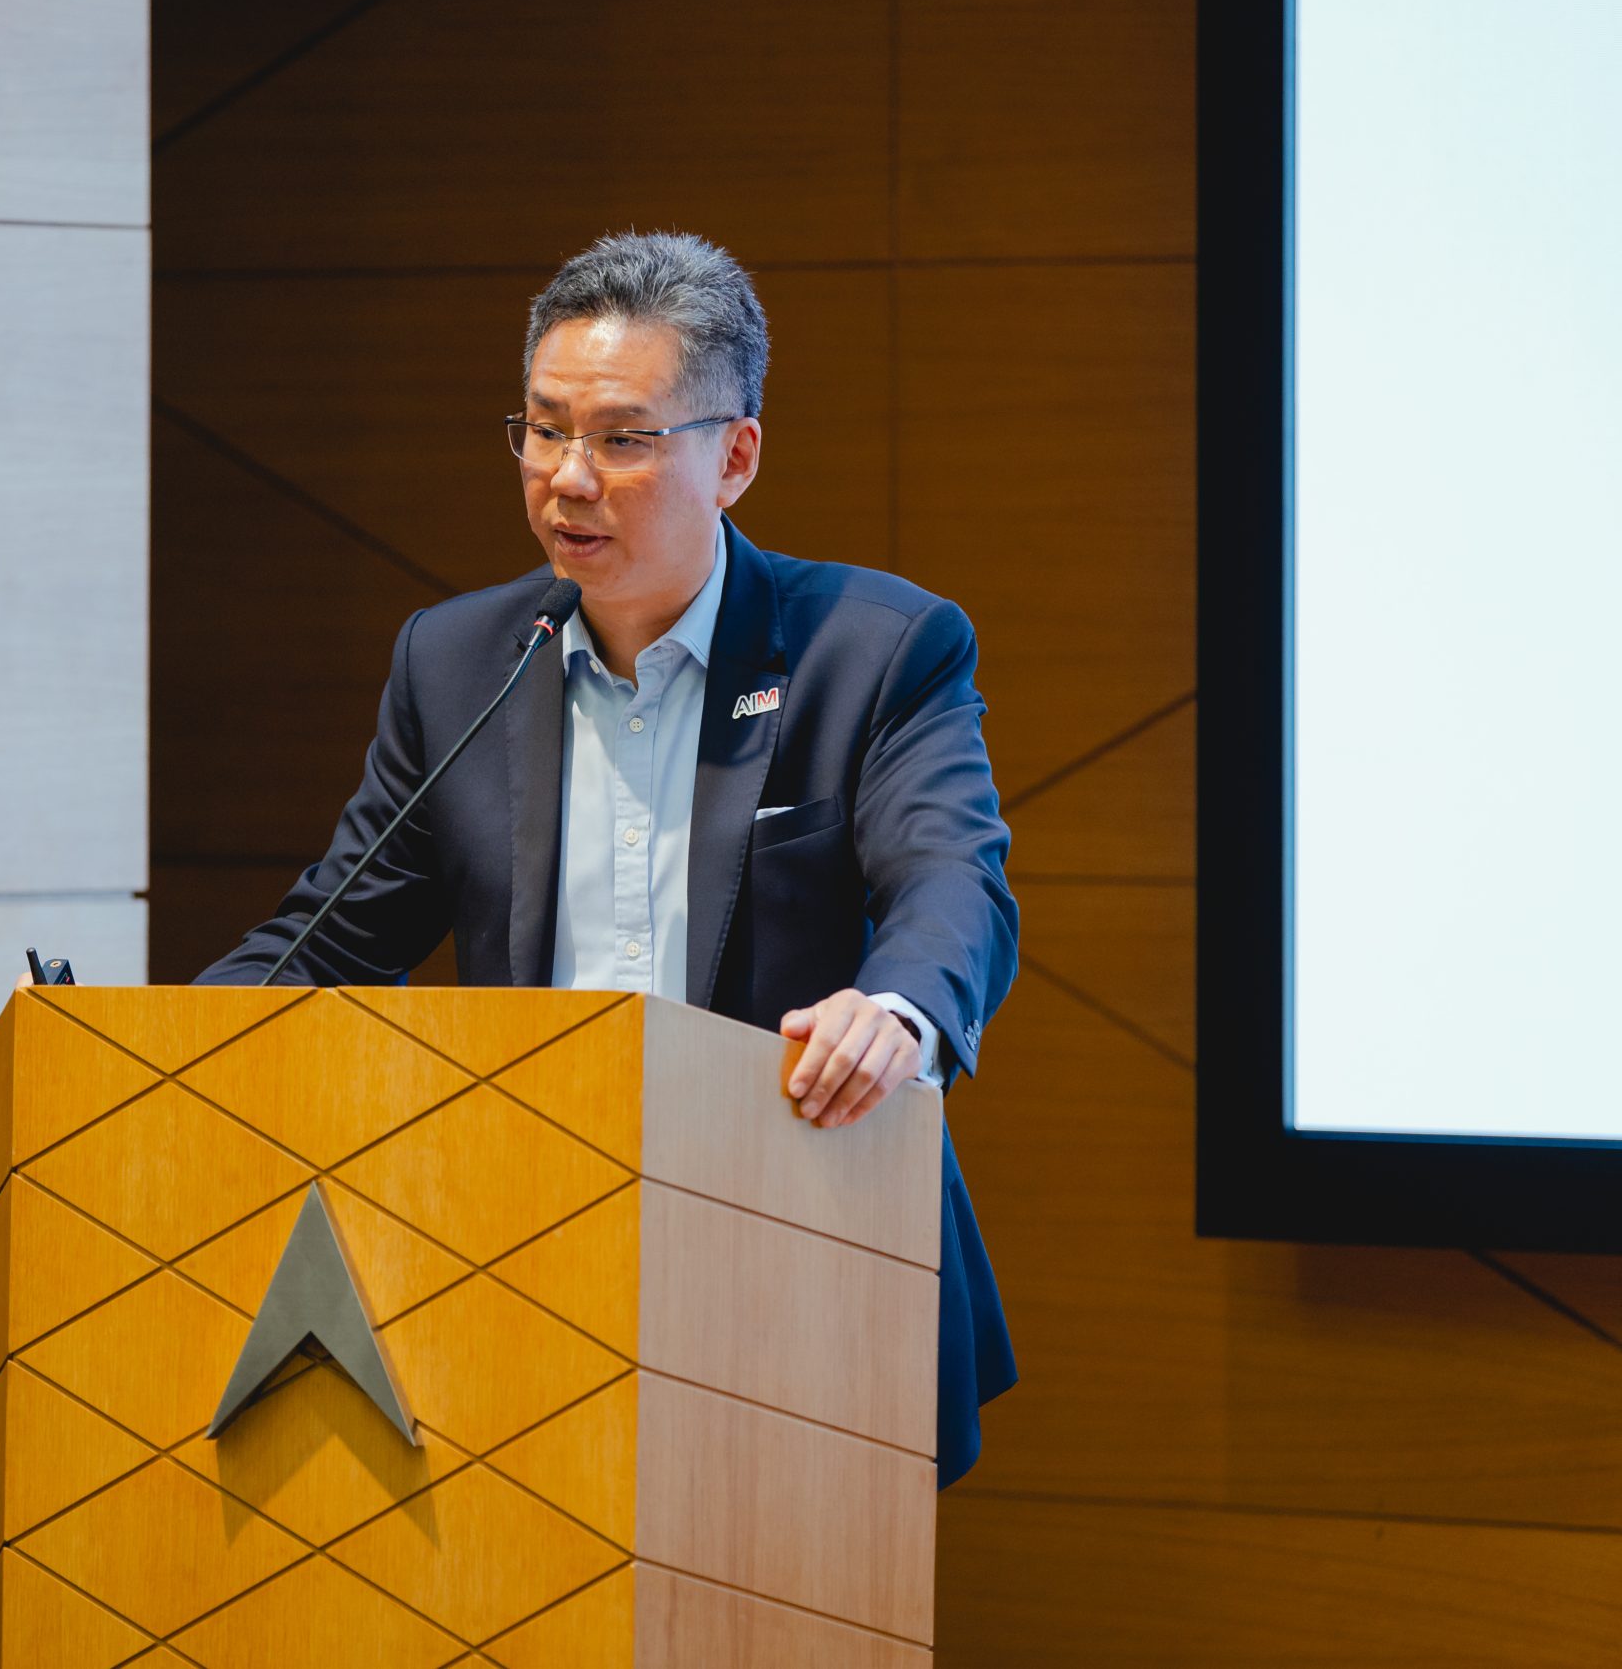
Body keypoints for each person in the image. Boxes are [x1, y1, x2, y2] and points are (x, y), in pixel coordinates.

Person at [197, 229, 1018, 1486]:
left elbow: (951, 884)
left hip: (801, 1249)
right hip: (521, 1257)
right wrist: (140, 1042)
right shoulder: (456, 661)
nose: (566, 479)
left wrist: (896, 1012)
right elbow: (330, 936)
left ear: (733, 456)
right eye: (542, 430)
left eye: (622, 439)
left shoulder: (873, 650)